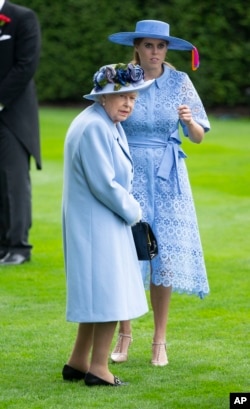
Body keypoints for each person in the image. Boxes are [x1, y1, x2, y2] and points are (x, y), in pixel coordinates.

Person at [108, 20, 210, 366]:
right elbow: (105, 118)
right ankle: (124, 335)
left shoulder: (181, 82)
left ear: (167, 50)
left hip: (168, 178)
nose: (154, 52)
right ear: (136, 47)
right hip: (128, 170)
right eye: (148, 45)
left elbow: (197, 136)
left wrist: (189, 120)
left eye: (161, 46)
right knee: (127, 252)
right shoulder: (121, 78)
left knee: (161, 256)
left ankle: (159, 341)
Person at [61, 63, 153, 387]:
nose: (128, 103)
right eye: (122, 97)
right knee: (110, 295)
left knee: (98, 295)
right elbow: (105, 184)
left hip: (99, 221)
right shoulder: (95, 127)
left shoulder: (103, 121)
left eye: (133, 98)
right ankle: (99, 369)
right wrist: (135, 211)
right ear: (102, 97)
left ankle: (77, 361)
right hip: (96, 222)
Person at [0, 0, 41, 265]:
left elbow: (26, 65)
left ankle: (18, 247)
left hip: (13, 113)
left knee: (13, 180)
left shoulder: (23, 18)